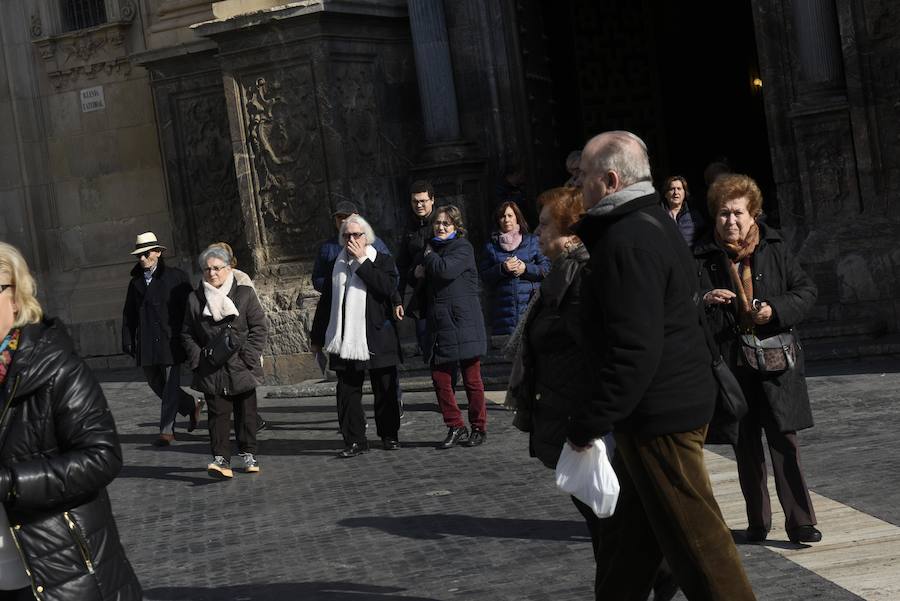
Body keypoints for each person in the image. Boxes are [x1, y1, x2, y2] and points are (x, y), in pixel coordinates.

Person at [573, 131, 755, 599]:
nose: (578, 187)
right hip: (657, 410)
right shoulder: (649, 222)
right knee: (629, 547)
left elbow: (635, 348)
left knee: (703, 550)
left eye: (584, 177)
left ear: (610, 180)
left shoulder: (628, 239)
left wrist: (591, 419)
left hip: (661, 416)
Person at [0, 242, 142, 599]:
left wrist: (13, 482)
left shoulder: (57, 367)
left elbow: (102, 457)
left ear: (15, 294)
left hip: (59, 574)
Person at [696, 173, 821, 545]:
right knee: (745, 445)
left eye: (737, 213)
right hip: (731, 365)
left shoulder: (775, 248)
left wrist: (775, 310)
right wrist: (703, 300)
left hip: (777, 362)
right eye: (722, 214)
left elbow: (806, 291)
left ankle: (801, 522)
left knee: (785, 442)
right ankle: (757, 522)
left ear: (754, 215)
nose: (730, 222)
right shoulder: (701, 255)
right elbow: (680, 301)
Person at [310, 215, 403, 457]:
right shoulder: (336, 265)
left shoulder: (382, 260)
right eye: (347, 235)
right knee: (348, 392)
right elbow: (326, 303)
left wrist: (361, 262)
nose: (351, 239)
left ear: (367, 237)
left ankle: (389, 435)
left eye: (356, 235)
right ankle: (354, 440)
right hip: (345, 338)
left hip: (376, 334)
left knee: (385, 388)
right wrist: (317, 338)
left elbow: (386, 288)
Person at [182, 245, 268, 478]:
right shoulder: (194, 299)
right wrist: (199, 360)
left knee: (246, 413)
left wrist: (248, 356)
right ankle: (221, 460)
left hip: (242, 366)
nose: (212, 273)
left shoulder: (244, 294)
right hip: (212, 368)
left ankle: (249, 454)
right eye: (207, 269)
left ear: (228, 269)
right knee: (217, 415)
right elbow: (187, 333)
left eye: (217, 268)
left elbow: (259, 328)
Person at [415, 205, 488, 448]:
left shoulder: (462, 247)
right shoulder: (429, 250)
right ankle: (455, 426)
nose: (441, 227)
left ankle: (479, 427)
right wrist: (416, 271)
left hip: (463, 323)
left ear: (456, 226)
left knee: (472, 380)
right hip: (439, 325)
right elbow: (418, 274)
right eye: (437, 223)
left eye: (447, 223)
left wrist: (428, 257)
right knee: (440, 379)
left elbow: (445, 271)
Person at [121, 231, 201, 447]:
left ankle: (166, 431)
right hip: (147, 341)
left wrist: (191, 336)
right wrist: (128, 339)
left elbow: (190, 308)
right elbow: (129, 313)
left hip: (170, 340)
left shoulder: (176, 277)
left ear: (157, 253)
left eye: (146, 254)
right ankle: (190, 404)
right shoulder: (135, 282)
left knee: (168, 385)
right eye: (139, 255)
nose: (142, 259)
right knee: (155, 382)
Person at [207, 242, 268, 434]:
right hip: (219, 347)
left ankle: (249, 431)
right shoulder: (207, 280)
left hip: (240, 345)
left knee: (242, 390)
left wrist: (250, 351)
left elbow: (252, 314)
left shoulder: (241, 278)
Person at [480, 201, 550, 335]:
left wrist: (526, 269)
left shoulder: (532, 241)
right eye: (502, 216)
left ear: (517, 217)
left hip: (531, 309)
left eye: (510, 215)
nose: (506, 220)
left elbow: (547, 269)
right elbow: (484, 276)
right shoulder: (491, 246)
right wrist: (502, 269)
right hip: (503, 316)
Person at [312, 201, 392, 294]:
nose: (342, 220)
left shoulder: (374, 242)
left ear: (357, 217)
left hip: (371, 299)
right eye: (339, 217)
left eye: (346, 216)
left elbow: (390, 276)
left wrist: (396, 301)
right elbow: (317, 279)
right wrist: (338, 285)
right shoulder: (327, 248)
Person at [395, 180, 437, 354]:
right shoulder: (409, 227)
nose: (419, 205)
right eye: (415, 201)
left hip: (441, 292)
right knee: (425, 343)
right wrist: (398, 299)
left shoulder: (442, 223)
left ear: (432, 200)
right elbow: (402, 265)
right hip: (420, 295)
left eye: (423, 201)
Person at [661, 175, 706, 247]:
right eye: (672, 189)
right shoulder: (658, 215)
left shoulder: (694, 215)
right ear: (666, 194)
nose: (676, 192)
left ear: (684, 193)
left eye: (679, 189)